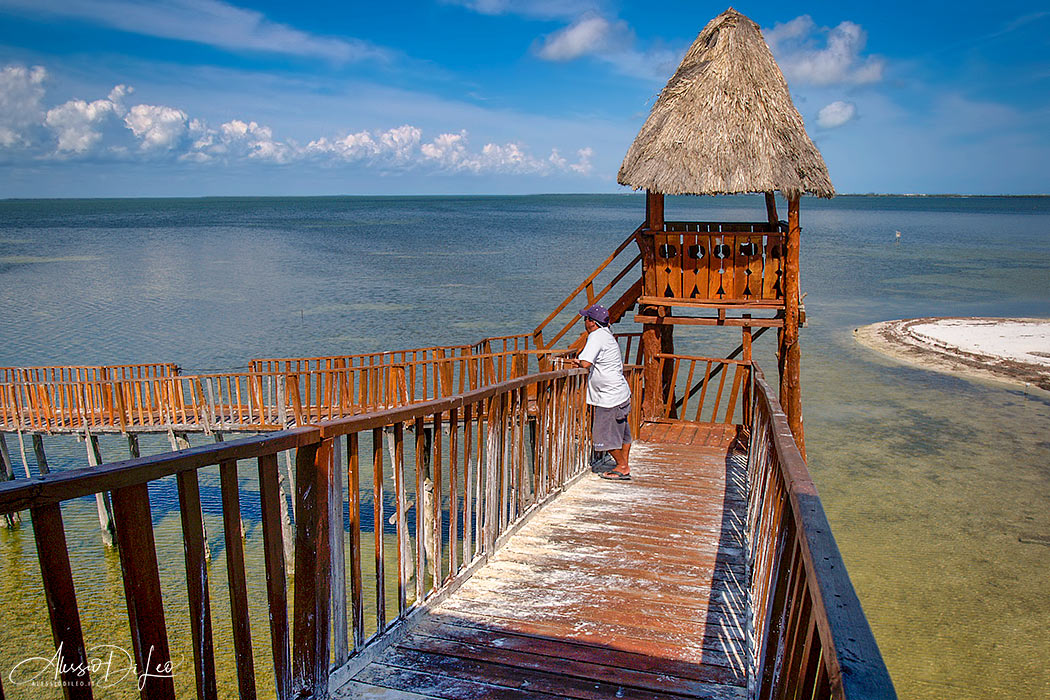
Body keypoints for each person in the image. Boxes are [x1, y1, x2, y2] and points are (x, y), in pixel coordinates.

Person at [569, 304, 632, 481]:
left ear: (592, 322)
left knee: (602, 435)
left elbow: (586, 363)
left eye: (586, 319)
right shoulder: (607, 334)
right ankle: (623, 465)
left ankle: (622, 466)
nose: (584, 322)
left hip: (608, 397)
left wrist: (579, 362)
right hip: (620, 392)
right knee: (623, 432)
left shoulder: (596, 336)